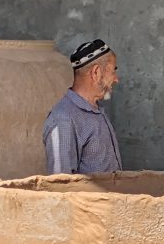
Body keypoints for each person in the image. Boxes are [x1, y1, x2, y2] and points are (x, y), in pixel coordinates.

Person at [43, 39, 122, 175]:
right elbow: (60, 183)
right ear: (96, 73)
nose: (116, 79)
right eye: (113, 71)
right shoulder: (63, 119)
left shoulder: (97, 109)